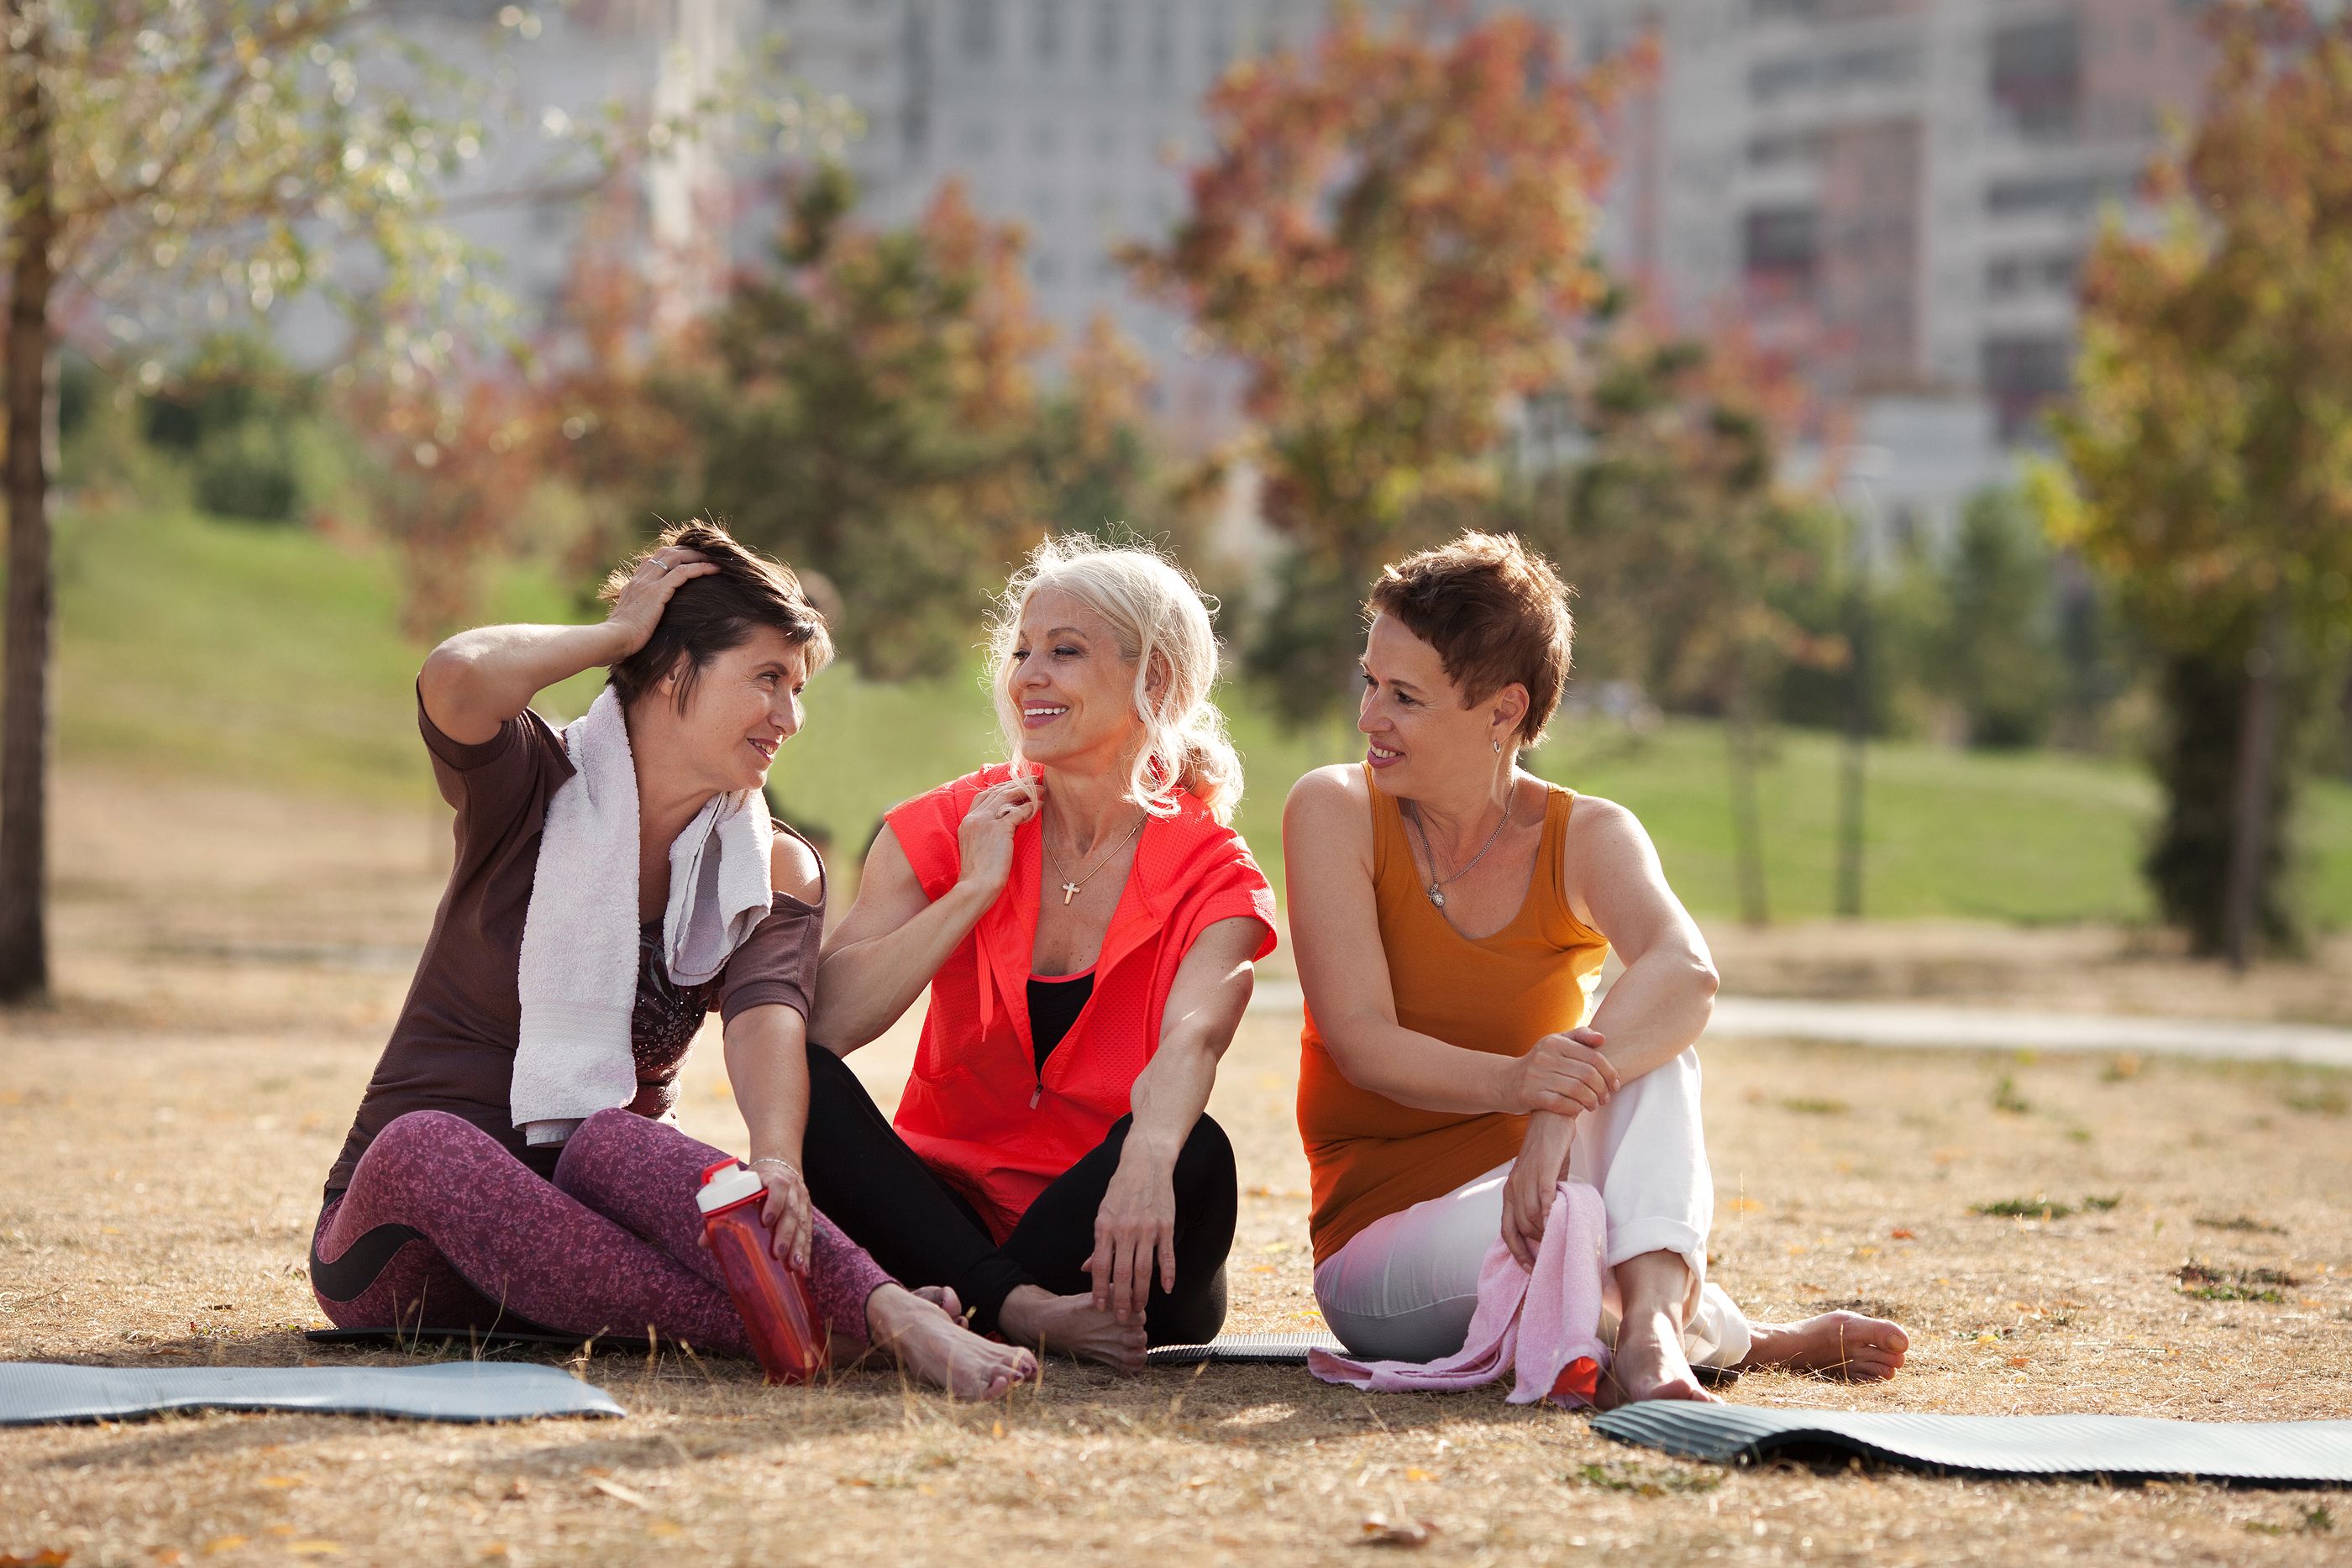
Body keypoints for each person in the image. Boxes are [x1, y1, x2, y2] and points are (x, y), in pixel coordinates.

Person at [310, 522, 1036, 1400]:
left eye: (798, 687)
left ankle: (864, 1308)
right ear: (669, 670)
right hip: (408, 1246)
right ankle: (864, 1323)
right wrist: (618, 634)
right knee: (426, 1144)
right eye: (767, 678)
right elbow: (456, 676)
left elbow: (772, 1018)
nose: (790, 716)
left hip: (597, 1240)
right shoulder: (532, 784)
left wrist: (776, 1159)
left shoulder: (768, 862)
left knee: (615, 1135)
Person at [1284, 532, 1909, 1405]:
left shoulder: (1589, 833)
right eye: (1369, 680)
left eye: (1404, 696)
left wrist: (1553, 1105)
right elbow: (1362, 1044)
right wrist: (1524, 1086)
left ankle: (1652, 1336)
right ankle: (1740, 1334)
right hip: (1384, 1246)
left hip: (1544, 1187)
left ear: (1502, 711)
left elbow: (1687, 972)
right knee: (1584, 1218)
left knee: (1653, 1043)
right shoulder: (1335, 808)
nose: (1368, 717)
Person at [801, 538, 1276, 1372]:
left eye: (1065, 651)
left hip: (1101, 1226)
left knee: (1195, 1148)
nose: (1029, 675)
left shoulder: (1213, 871)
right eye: (1023, 650)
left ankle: (961, 1307)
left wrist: (1148, 1157)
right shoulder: (956, 823)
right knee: (793, 1074)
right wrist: (972, 890)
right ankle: (1020, 1310)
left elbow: (1193, 1039)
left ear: (1154, 680)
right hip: (943, 1216)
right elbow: (825, 1024)